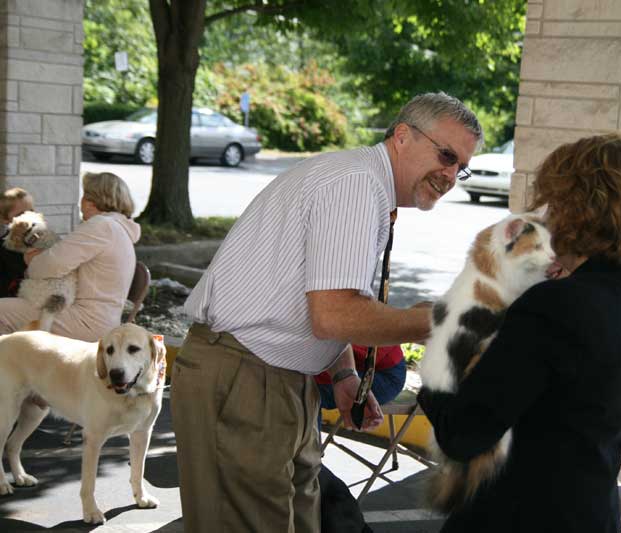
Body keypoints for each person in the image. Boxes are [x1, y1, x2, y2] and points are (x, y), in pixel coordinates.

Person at [171, 92, 482, 533]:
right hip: (246, 376)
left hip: (274, 378)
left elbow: (321, 299)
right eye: (446, 155)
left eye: (460, 166)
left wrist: (343, 375)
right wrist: (434, 322)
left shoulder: (362, 184)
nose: (451, 174)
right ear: (402, 136)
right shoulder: (355, 184)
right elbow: (334, 314)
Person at [417, 131, 621, 533]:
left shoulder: (556, 305)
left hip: (525, 514)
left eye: (553, 202)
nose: (545, 216)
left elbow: (464, 433)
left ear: (574, 208)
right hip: (589, 512)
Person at [0, 172, 140, 341]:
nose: (81, 202)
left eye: (84, 196)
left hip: (86, 321)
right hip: (101, 320)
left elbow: (47, 267)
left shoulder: (101, 226)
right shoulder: (119, 229)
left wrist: (31, 260)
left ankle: (15, 366)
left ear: (90, 202)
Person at [316, 343, 407, 425]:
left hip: (384, 374)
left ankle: (310, 437)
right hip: (357, 363)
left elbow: (362, 354)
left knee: (311, 388)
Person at [0, 187, 34, 298]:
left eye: (32, 211)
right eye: (21, 215)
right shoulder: (5, 248)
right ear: (5, 220)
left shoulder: (38, 238)